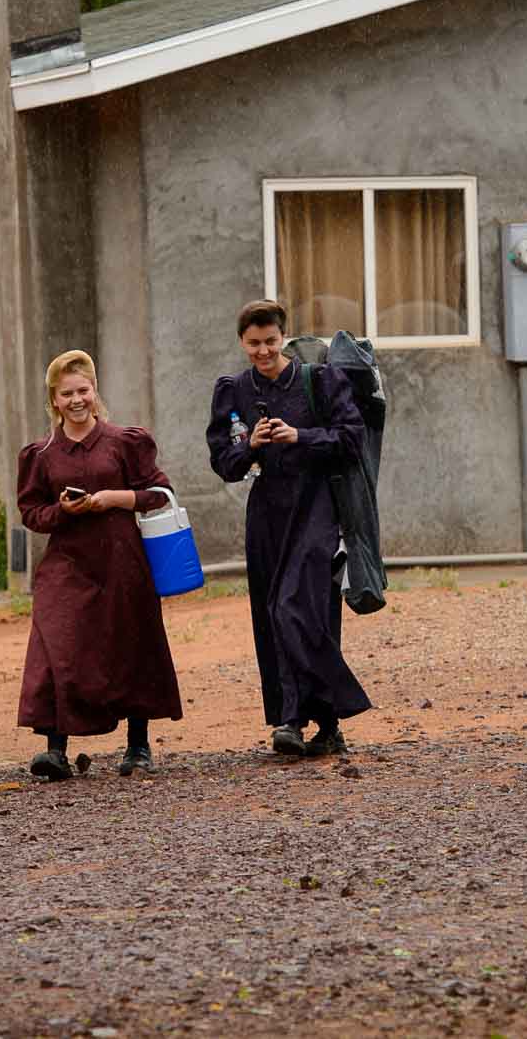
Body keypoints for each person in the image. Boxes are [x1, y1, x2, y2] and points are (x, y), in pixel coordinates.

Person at [207, 300, 372, 757]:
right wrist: (251, 448)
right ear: (242, 342)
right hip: (267, 512)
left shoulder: (319, 380)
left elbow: (351, 438)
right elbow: (223, 461)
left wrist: (301, 436)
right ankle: (312, 724)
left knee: (293, 606)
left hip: (317, 505)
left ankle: (304, 715)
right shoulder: (232, 390)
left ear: (284, 338)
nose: (262, 351)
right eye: (253, 343)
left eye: (271, 342)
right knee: (272, 613)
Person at [16, 349, 183, 779]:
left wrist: (117, 498)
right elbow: (31, 512)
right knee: (57, 642)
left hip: (122, 560)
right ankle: (55, 749)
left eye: (83, 390)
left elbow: (159, 493)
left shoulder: (125, 441)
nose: (76, 400)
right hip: (68, 562)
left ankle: (138, 746)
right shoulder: (41, 454)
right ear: (54, 399)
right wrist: (61, 511)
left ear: (95, 391)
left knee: (130, 643)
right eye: (66, 393)